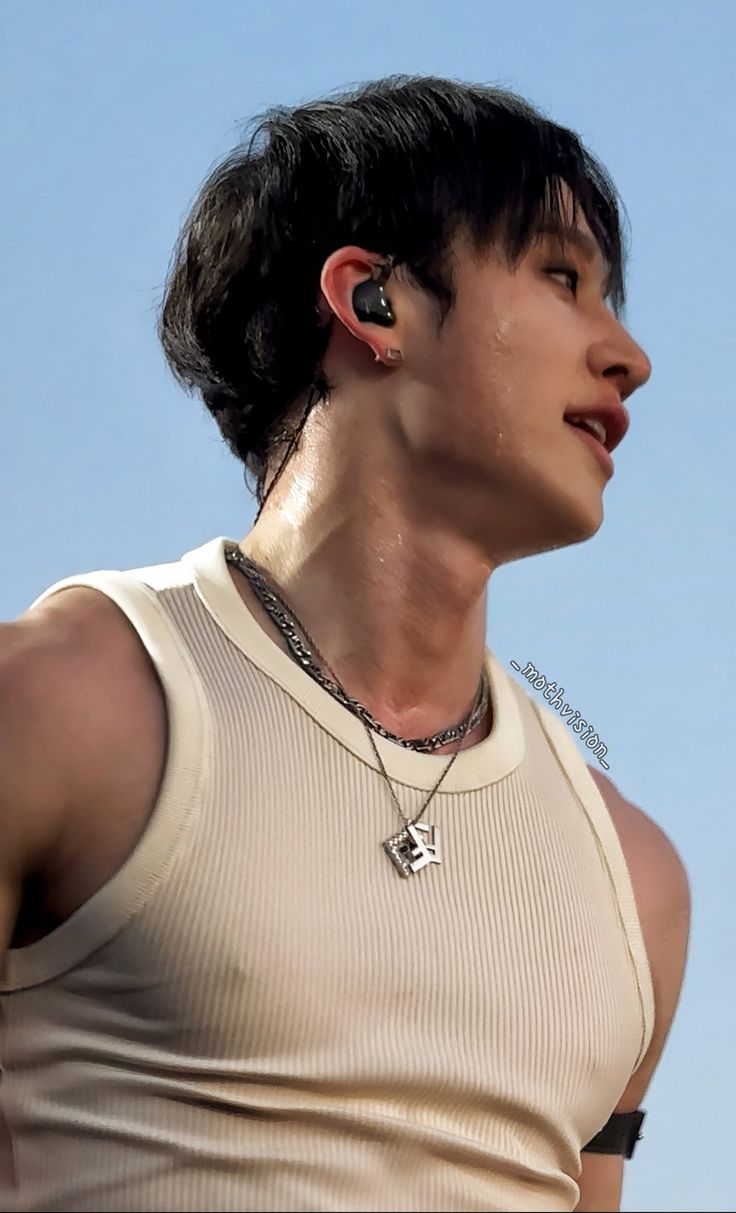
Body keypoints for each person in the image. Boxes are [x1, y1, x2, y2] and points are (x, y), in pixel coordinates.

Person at [0, 75, 690, 1213]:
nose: (627, 355)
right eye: (561, 278)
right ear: (373, 301)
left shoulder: (638, 883)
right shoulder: (57, 710)